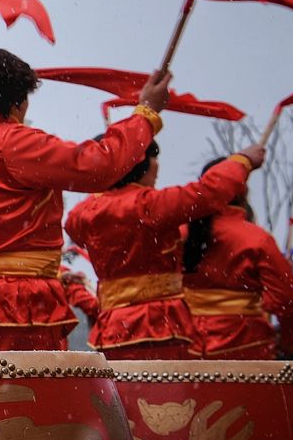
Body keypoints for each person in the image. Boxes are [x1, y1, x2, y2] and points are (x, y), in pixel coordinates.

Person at [0, 50, 170, 351]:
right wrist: (145, 115)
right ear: (16, 99)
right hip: (16, 301)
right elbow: (97, 166)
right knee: (32, 395)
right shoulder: (11, 141)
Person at [64, 141, 261, 360]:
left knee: (121, 392)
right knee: (166, 393)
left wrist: (109, 182)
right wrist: (242, 161)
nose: (157, 167)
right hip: (159, 323)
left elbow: (74, 227)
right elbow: (209, 192)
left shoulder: (86, 211)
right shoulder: (151, 205)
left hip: (113, 325)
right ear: (140, 164)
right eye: (154, 159)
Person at [182, 179, 293, 359]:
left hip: (185, 344)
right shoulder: (256, 238)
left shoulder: (177, 234)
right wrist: (291, 343)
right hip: (244, 345)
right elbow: (288, 300)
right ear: (244, 195)